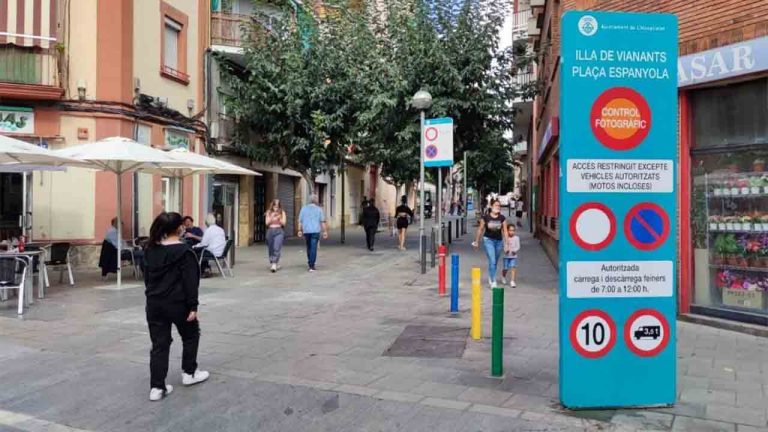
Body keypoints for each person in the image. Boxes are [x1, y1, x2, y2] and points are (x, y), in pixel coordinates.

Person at [143, 212, 209, 401]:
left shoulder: (150, 250)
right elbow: (191, 282)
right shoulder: (184, 252)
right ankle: (189, 372)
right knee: (191, 335)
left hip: (154, 303)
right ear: (179, 228)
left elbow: (147, 278)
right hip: (178, 303)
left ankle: (157, 387)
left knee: (159, 344)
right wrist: (193, 306)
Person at [472, 199, 509, 288]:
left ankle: (491, 275)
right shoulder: (486, 218)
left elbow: (505, 231)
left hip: (499, 241)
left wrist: (506, 244)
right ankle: (493, 281)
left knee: (495, 261)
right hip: (488, 240)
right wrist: (476, 241)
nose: (498, 207)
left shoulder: (502, 218)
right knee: (492, 260)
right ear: (491, 206)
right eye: (496, 205)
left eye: (499, 206)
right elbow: (480, 229)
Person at [297, 194, 328, 272]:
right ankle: (311, 265)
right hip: (315, 231)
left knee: (309, 247)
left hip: (306, 231)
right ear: (316, 201)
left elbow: (300, 221)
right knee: (313, 247)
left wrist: (299, 230)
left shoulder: (303, 209)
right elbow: (322, 221)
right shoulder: (319, 209)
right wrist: (325, 231)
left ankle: (310, 262)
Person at [193, 214, 227, 278]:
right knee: (204, 251)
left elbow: (203, 244)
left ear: (206, 222)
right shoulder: (220, 229)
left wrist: (194, 246)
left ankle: (202, 270)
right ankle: (207, 268)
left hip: (213, 252)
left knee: (197, 252)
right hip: (221, 252)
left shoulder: (208, 230)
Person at [265, 199, 286, 273]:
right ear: (272, 205)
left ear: (279, 206)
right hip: (270, 231)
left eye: (277, 206)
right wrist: (272, 217)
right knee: (271, 248)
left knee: (276, 247)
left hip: (279, 231)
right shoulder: (269, 212)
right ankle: (273, 262)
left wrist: (279, 218)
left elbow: (284, 223)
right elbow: (267, 223)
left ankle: (274, 263)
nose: (276, 208)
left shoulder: (282, 212)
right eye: (274, 206)